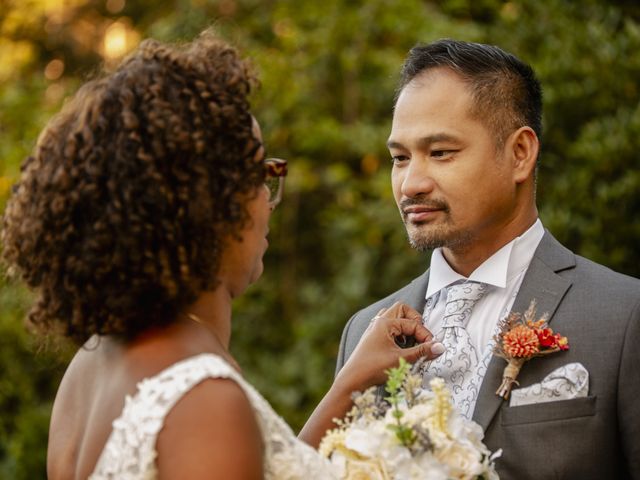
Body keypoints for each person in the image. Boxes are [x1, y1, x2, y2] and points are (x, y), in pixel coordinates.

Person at [1, 31, 444, 479]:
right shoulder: (204, 398)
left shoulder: (90, 366)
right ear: (206, 202)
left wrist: (348, 385)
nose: (269, 198)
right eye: (259, 172)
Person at [336, 39, 640, 479]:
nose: (410, 184)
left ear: (520, 153)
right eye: (399, 158)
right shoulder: (363, 332)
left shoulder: (625, 316)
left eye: (440, 152)